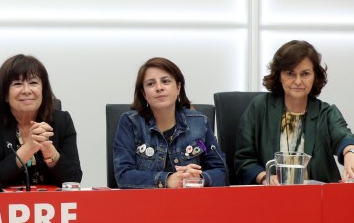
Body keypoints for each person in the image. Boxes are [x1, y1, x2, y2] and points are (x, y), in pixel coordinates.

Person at [235, 40, 354, 185]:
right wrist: (264, 177)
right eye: (290, 73)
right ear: (279, 75)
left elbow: (344, 137)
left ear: (314, 76)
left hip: (316, 198)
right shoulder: (259, 107)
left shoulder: (326, 112)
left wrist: (350, 153)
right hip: (272, 197)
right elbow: (243, 160)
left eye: (305, 74)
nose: (298, 81)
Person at [113, 57, 227, 188]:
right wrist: (166, 180)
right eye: (151, 84)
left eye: (165, 81)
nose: (159, 88)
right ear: (144, 94)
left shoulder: (199, 122)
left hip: (190, 202)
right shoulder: (130, 122)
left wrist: (198, 178)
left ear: (178, 88)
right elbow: (123, 176)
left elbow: (221, 172)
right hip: (145, 204)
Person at [0, 54, 82, 191]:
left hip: (53, 207)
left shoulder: (61, 121)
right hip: (4, 208)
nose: (26, 91)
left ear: (43, 90)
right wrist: (28, 148)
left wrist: (50, 151)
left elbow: (74, 180)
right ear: (5, 94)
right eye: (17, 84)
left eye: (33, 83)